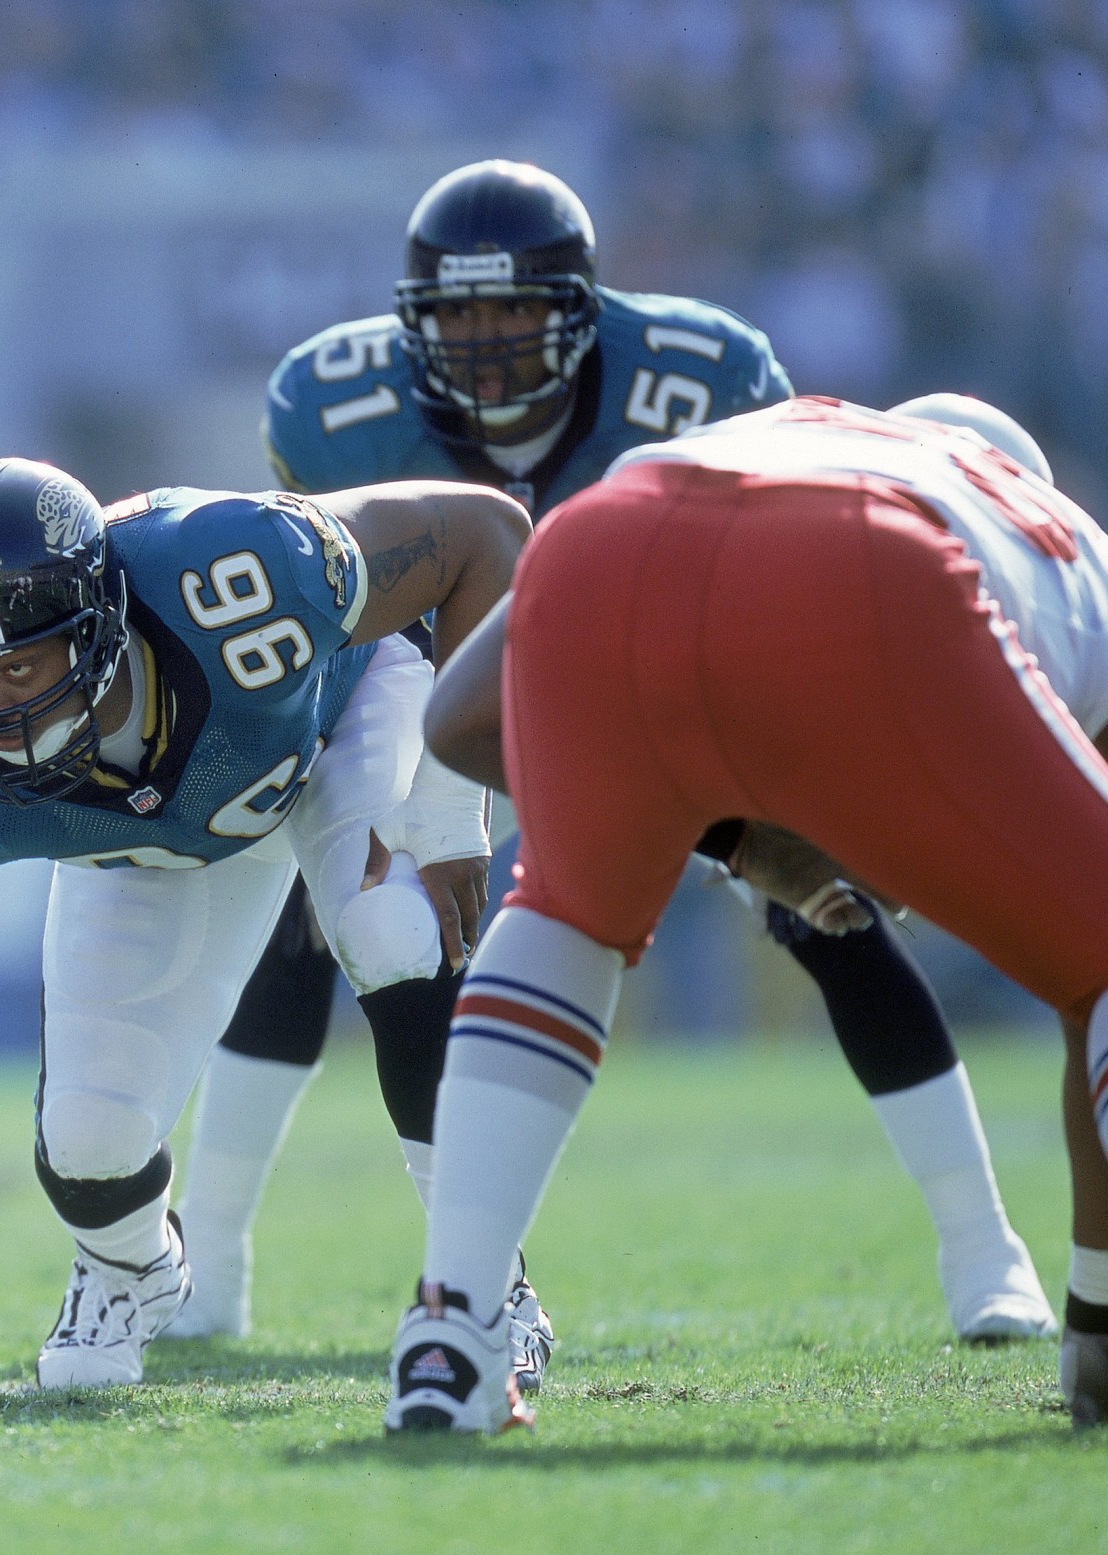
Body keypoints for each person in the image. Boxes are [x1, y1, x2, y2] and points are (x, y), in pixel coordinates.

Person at [171, 160, 1054, 1354]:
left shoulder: (703, 378)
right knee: (313, 915)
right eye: (460, 314)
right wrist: (418, 815)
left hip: (665, 672)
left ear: (580, 311)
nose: (485, 343)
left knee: (829, 911)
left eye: (515, 310)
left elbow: (758, 576)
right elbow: (348, 627)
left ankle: (982, 1247)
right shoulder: (332, 404)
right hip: (433, 683)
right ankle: (211, 1267)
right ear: (411, 321)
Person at [391, 395, 1108, 1442]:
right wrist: (1104, 1306)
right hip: (875, 563)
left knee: (566, 912)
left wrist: (729, 836)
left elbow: (459, 718)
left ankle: (450, 1327)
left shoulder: (778, 431)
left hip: (607, 537)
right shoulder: (1078, 566)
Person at [0, 456, 525, 1401]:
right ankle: (132, 1269)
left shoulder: (238, 568)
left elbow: (486, 534)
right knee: (91, 1141)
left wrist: (453, 805)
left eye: (19, 665)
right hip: (159, 842)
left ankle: (488, 1291)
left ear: (97, 627)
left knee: (393, 927)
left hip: (337, 716)